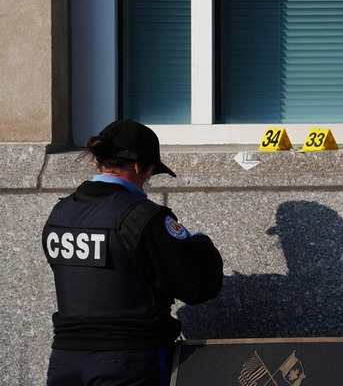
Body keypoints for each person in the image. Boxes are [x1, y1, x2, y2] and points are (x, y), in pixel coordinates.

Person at [42, 119, 223, 386]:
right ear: (139, 166)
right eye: (151, 170)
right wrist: (200, 244)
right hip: (128, 363)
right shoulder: (141, 217)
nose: (149, 178)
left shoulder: (61, 212)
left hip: (66, 361)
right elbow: (196, 286)